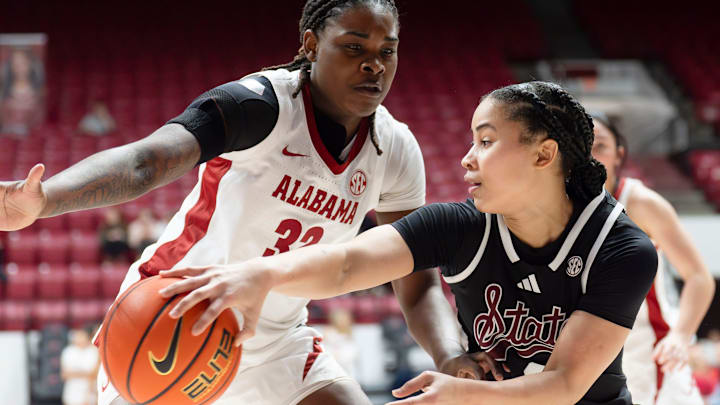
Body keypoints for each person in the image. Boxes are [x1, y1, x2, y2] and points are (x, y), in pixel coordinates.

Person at [0, 1, 478, 404]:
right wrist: (44, 201)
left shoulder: (395, 149)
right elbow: (147, 161)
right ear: (310, 46)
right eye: (354, 47)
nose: (374, 64)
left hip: (277, 336)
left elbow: (417, 282)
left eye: (386, 51)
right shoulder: (262, 105)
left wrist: (450, 357)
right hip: (175, 314)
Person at [159, 81, 659, 404]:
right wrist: (263, 274)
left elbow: (564, 385)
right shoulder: (459, 225)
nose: (466, 159)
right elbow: (347, 265)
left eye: (485, 141)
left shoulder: (620, 248)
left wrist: (457, 393)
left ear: (544, 155)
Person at [591, 113, 715, 405]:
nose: (591, 156)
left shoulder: (640, 202)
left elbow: (699, 277)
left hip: (646, 349)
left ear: (619, 155)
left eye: (600, 146)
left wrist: (681, 335)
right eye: (582, 145)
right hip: (586, 350)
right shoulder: (557, 204)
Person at [0, 47, 44, 136]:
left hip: (31, 135)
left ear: (30, 64)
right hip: (7, 133)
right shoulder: (4, 91)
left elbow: (38, 118)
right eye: (15, 64)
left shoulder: (37, 92)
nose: (18, 68)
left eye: (22, 63)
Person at [61, 326, 100, 405]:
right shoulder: (68, 351)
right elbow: (64, 374)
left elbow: (94, 374)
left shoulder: (94, 351)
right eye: (77, 336)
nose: (79, 338)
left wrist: (88, 397)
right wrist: (86, 373)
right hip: (71, 395)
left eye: (81, 336)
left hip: (89, 396)